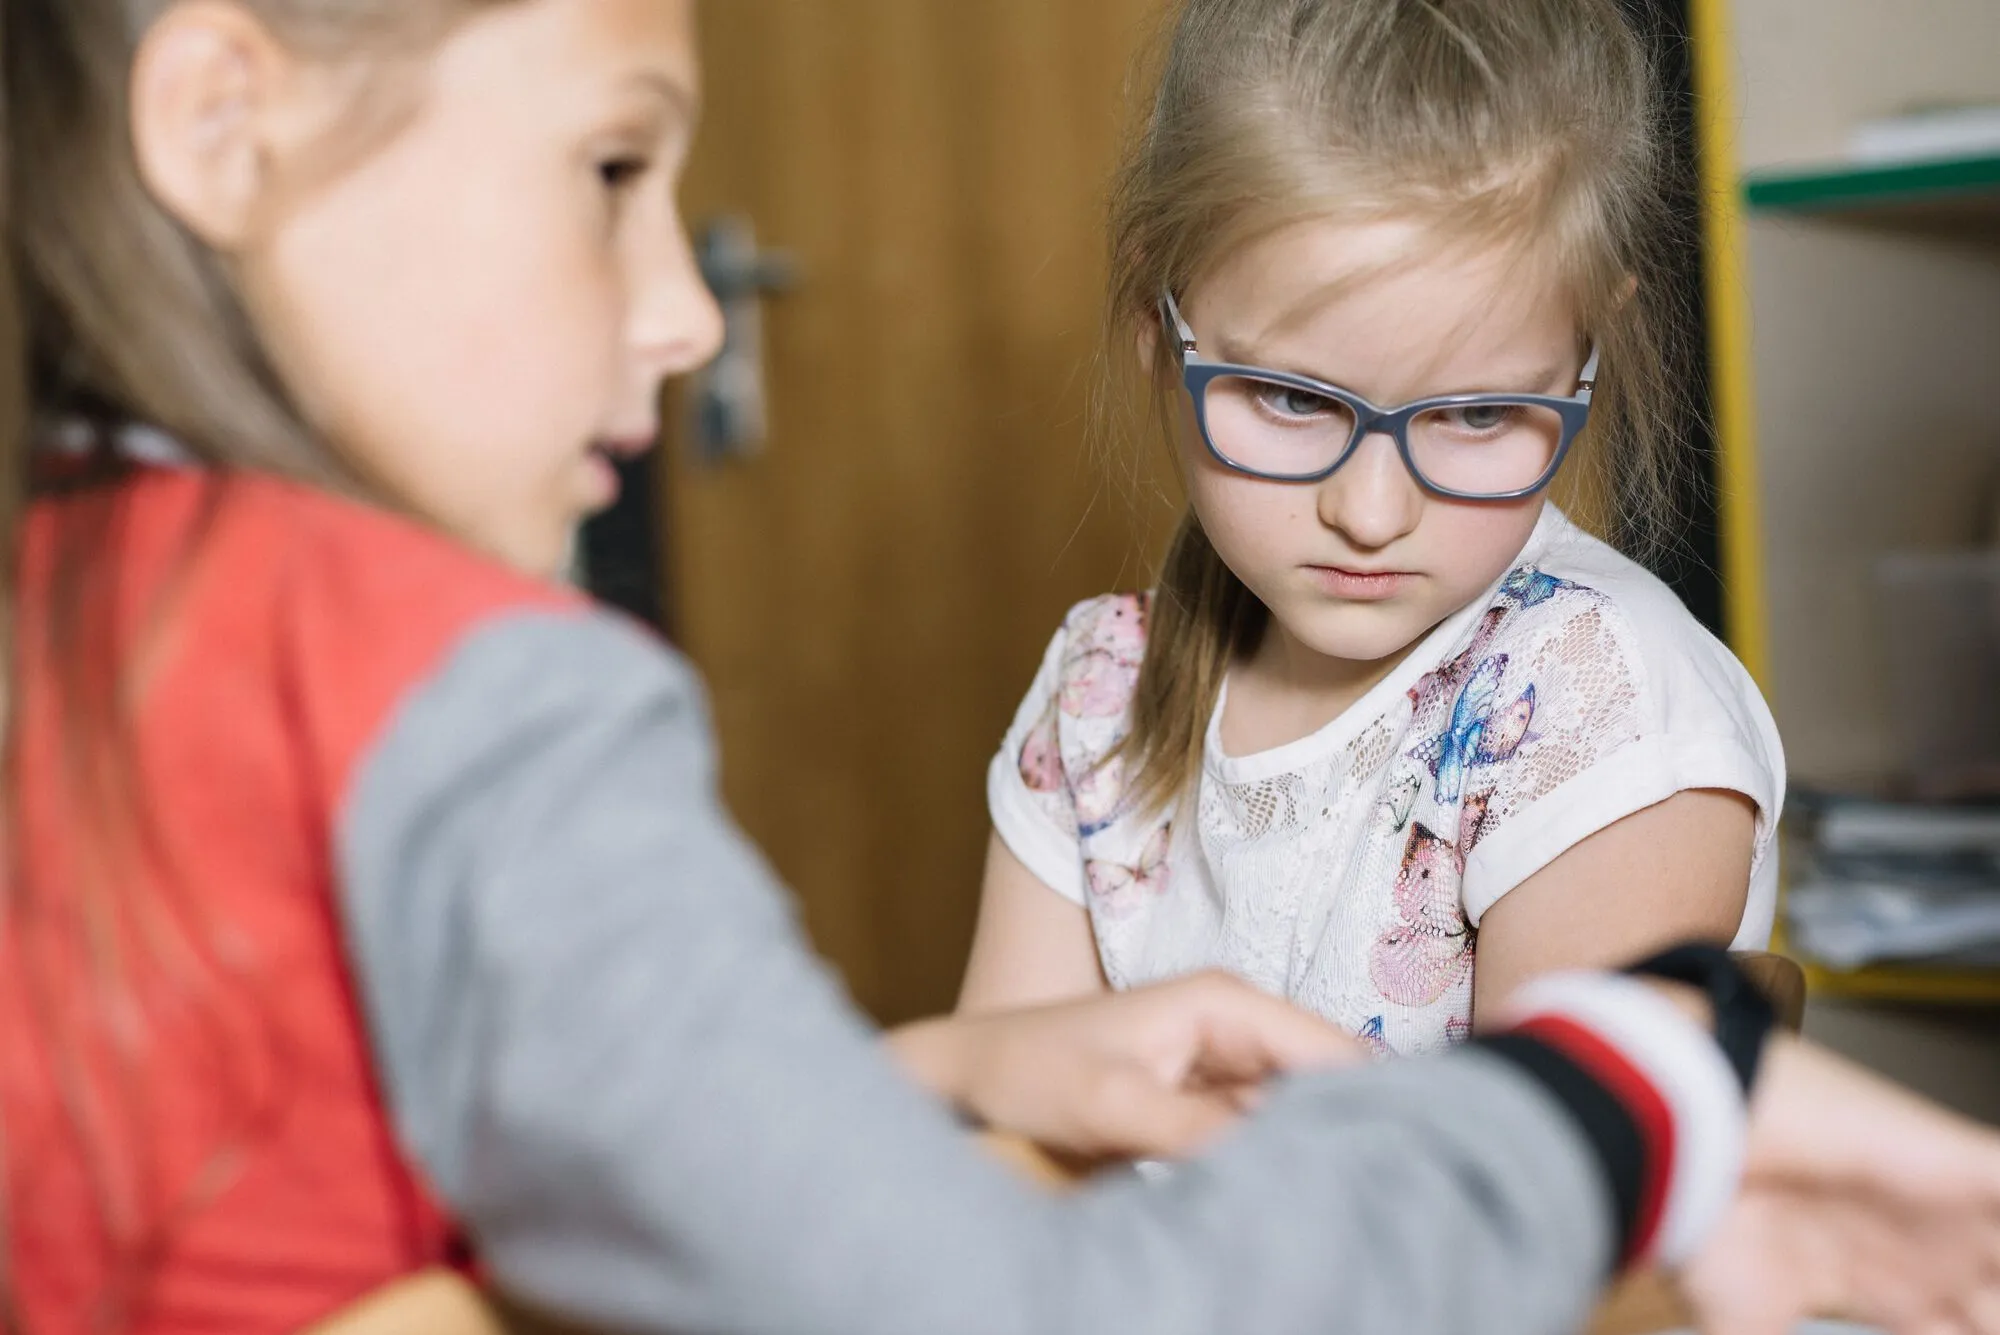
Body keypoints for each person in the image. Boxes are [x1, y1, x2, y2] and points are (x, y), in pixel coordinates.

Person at [2, 1, 1997, 1333]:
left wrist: (952, 1071)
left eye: (1473, 416)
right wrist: (1625, 1092)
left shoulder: (74, 610)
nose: (694, 311)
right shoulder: (469, 699)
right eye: (616, 168)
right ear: (222, 117)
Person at [962, 0, 1784, 1053]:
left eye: (1476, 412)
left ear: (1588, 346)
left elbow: (1525, 1196)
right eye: (1292, 399)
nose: (1369, 513)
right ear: (1152, 324)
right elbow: (995, 1143)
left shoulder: (1598, 708)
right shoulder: (1102, 688)